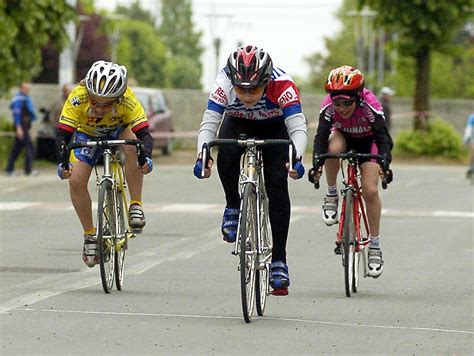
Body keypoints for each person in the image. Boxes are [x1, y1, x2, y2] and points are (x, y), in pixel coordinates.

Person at [193, 45, 307, 295]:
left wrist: (296, 157)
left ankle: (279, 260)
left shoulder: (283, 85)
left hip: (275, 127)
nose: (247, 95)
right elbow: (209, 124)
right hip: (238, 124)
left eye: (254, 89)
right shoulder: (222, 84)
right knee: (226, 151)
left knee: (278, 182)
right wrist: (202, 155)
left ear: (266, 81)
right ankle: (232, 205)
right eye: (241, 88)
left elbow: (298, 127)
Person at [55, 60, 154, 268]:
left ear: (118, 98)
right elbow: (63, 135)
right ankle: (90, 236)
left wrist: (147, 157)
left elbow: (144, 134)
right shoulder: (77, 97)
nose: (100, 108)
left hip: (120, 130)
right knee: (75, 180)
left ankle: (136, 204)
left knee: (133, 147)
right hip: (86, 134)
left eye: (107, 103)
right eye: (95, 102)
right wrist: (63, 162)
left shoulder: (128, 99)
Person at [309, 65, 393, 278]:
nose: (342, 108)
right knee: (331, 150)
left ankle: (374, 246)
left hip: (370, 141)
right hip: (343, 136)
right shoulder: (328, 107)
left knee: (370, 190)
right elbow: (320, 137)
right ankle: (331, 194)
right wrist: (317, 165)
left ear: (358, 97)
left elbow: (383, 137)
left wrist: (385, 164)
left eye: (347, 102)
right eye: (337, 103)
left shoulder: (370, 104)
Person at [5, 82, 37, 176]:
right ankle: (28, 170)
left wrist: (29, 129)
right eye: (26, 88)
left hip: (25, 127)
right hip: (21, 126)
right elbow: (17, 114)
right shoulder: (19, 99)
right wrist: (19, 128)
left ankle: (9, 168)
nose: (28, 90)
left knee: (17, 148)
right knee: (29, 147)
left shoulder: (25, 99)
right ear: (21, 88)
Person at [463, 113, 474, 179]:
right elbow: (468, 128)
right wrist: (466, 138)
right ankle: (471, 168)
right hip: (473, 137)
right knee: (473, 149)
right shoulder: (472, 117)